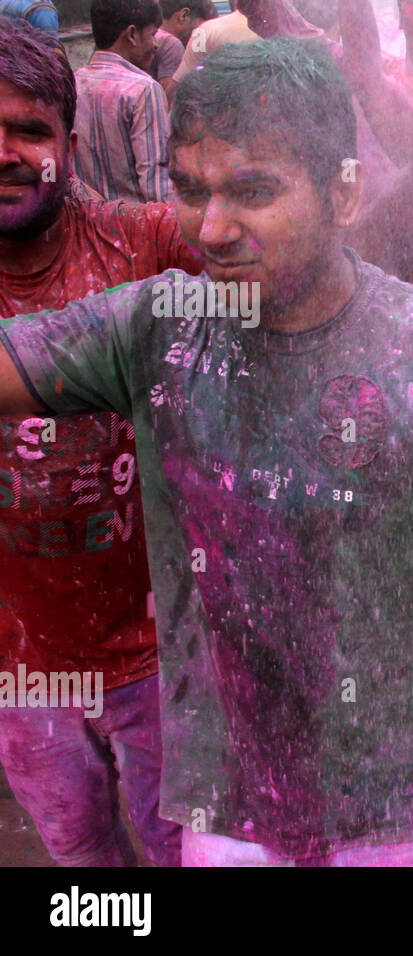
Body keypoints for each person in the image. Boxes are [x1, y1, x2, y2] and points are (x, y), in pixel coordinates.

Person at [0, 36, 413, 868]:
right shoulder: (155, 329)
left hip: (396, 823)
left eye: (252, 191)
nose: (210, 228)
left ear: (343, 194)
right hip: (225, 814)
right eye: (190, 189)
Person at [0, 15, 199, 868]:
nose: (4, 151)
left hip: (159, 652)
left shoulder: (146, 245)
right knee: (83, 861)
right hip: (22, 667)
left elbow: (285, 263)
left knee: (178, 848)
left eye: (29, 131)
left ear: (69, 146)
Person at [73, 0, 171, 204]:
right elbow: (156, 187)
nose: (156, 44)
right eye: (152, 34)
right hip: (133, 228)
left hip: (85, 223)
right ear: (132, 34)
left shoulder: (72, 82)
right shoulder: (144, 90)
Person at [153, 0, 216, 100]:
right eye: (203, 28)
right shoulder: (171, 44)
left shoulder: (145, 36)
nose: (204, 37)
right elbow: (170, 102)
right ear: (183, 15)